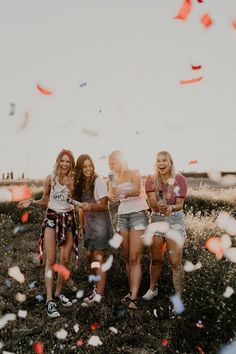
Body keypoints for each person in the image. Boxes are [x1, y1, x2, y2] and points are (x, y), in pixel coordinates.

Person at [18, 149, 78, 318]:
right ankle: (50, 300)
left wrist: (71, 187)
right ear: (58, 161)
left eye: (68, 161)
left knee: (65, 259)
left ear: (71, 164)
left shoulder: (73, 179)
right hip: (52, 217)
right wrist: (31, 202)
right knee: (51, 260)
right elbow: (45, 200)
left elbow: (76, 200)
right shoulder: (50, 178)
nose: (65, 164)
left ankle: (59, 294)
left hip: (68, 219)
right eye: (62, 161)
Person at [142, 150, 187, 300]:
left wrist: (171, 207)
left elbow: (180, 204)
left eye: (164, 160)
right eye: (159, 160)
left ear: (170, 163)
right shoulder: (150, 179)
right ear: (155, 163)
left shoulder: (179, 179)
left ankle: (179, 295)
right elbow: (152, 201)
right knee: (156, 259)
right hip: (157, 219)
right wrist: (158, 206)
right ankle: (152, 289)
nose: (161, 163)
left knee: (175, 262)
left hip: (174, 220)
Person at [108, 150, 149, 309]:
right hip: (122, 215)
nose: (112, 166)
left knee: (134, 257)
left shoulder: (134, 172)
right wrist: (112, 194)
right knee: (127, 258)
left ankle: (133, 297)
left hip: (138, 213)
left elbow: (137, 190)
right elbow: (112, 197)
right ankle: (132, 291)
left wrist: (120, 192)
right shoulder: (112, 178)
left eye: (114, 162)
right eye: (110, 163)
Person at [74, 154, 113, 305]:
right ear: (80, 169)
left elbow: (104, 205)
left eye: (90, 165)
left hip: (101, 224)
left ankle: (99, 295)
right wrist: (81, 226)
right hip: (89, 224)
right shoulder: (81, 184)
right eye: (84, 166)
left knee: (98, 258)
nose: (88, 168)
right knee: (90, 256)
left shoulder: (98, 181)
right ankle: (96, 288)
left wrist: (91, 206)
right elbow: (81, 209)